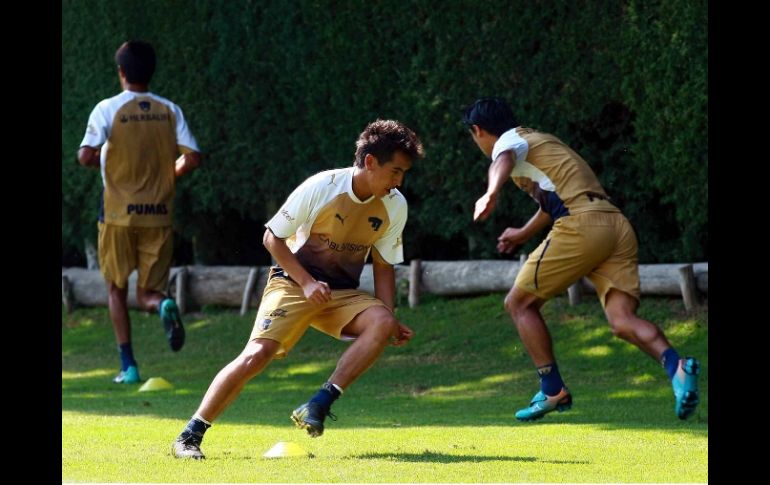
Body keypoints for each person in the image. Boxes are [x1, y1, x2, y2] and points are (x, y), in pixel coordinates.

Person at [171, 119, 424, 459]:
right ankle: (189, 436)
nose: (399, 182)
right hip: (293, 282)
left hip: (341, 294)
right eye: (395, 171)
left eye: (403, 174)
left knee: (382, 322)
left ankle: (318, 403)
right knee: (257, 355)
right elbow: (271, 238)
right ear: (370, 162)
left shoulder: (395, 205)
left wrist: (389, 318)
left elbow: (383, 264)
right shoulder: (322, 187)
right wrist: (306, 283)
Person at [462, 97, 700, 421]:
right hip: (615, 224)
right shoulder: (540, 140)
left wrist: (491, 193)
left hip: (582, 225)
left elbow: (501, 159)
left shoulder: (508, 142)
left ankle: (552, 389)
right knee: (622, 320)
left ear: (478, 130)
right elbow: (554, 199)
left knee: (518, 304)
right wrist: (522, 233)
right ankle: (677, 367)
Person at [77, 40, 201, 384]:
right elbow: (193, 157)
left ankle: (128, 367)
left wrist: (107, 159)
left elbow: (85, 156)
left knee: (116, 289)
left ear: (121, 72)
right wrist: (168, 174)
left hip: (116, 214)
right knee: (148, 292)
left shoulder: (107, 109)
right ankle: (162, 305)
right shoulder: (169, 109)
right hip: (158, 214)